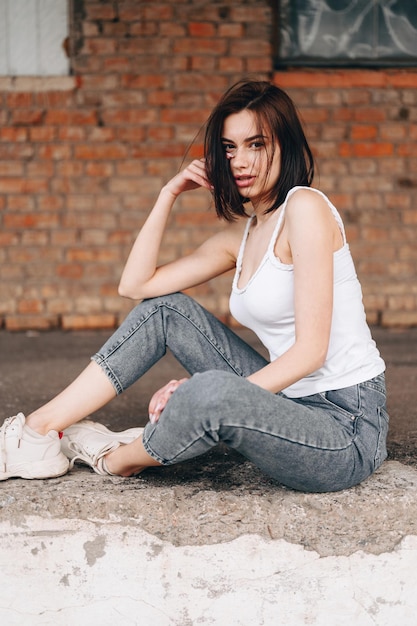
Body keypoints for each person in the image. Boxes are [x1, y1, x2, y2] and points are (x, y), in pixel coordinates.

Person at [0, 80, 388, 493]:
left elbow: (312, 352)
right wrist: (169, 193)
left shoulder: (305, 207)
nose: (241, 161)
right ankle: (38, 432)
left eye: (256, 144)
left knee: (209, 393)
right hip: (288, 403)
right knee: (165, 309)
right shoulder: (242, 237)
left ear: (285, 145)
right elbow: (137, 286)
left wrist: (202, 392)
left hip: (346, 427)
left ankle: (117, 459)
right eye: (229, 148)